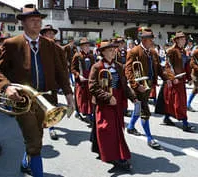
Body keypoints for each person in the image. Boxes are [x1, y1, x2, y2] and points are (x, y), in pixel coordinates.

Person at [0, 4, 74, 176]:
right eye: (32, 20)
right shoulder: (11, 44)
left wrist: (69, 95)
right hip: (23, 102)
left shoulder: (50, 45)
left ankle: (26, 162)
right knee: (34, 143)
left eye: (39, 20)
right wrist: (6, 86)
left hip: (47, 100)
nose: (37, 23)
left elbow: (61, 72)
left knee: (37, 137)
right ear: (23, 23)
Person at [89, 40, 137, 170]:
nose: (112, 52)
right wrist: (108, 97)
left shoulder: (119, 66)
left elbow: (124, 84)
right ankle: (113, 156)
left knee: (117, 129)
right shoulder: (97, 67)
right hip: (105, 102)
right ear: (103, 52)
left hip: (118, 101)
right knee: (106, 129)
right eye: (109, 50)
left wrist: (133, 98)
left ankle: (116, 153)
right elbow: (92, 87)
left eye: (113, 50)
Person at [125, 27, 172, 149]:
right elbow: (128, 70)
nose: (152, 41)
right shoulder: (134, 51)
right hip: (139, 86)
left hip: (149, 85)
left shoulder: (153, 52)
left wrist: (167, 79)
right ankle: (150, 138)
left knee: (139, 107)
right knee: (145, 111)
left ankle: (130, 127)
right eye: (151, 39)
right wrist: (136, 85)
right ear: (144, 40)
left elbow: (159, 69)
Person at [155, 31, 195, 132]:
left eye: (184, 39)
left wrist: (190, 78)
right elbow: (168, 66)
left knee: (174, 101)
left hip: (181, 80)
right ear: (176, 40)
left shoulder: (184, 51)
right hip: (174, 80)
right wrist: (173, 78)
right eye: (181, 39)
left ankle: (167, 118)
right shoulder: (171, 51)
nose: (184, 41)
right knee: (178, 102)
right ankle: (185, 123)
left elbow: (186, 65)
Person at [40, 24, 69, 140]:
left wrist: (64, 85)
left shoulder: (59, 49)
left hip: (52, 84)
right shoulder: (36, 47)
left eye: (52, 33)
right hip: (37, 83)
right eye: (48, 33)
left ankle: (52, 129)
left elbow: (63, 68)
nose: (51, 35)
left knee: (52, 107)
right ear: (43, 35)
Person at [71, 37, 95, 123]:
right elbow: (73, 69)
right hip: (81, 80)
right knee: (81, 98)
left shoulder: (91, 56)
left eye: (88, 45)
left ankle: (89, 113)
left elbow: (94, 67)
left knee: (90, 97)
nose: (87, 47)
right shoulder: (77, 55)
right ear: (81, 47)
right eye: (85, 46)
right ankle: (80, 112)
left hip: (89, 79)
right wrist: (78, 76)